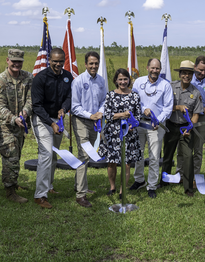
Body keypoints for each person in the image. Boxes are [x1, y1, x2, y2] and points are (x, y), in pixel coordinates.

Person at [32, 48, 73, 209]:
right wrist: (51, 123)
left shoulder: (67, 77)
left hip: (59, 119)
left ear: (64, 61)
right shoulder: (40, 78)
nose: (57, 64)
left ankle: (49, 186)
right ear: (49, 60)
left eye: (60, 61)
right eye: (55, 61)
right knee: (46, 154)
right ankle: (40, 195)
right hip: (43, 119)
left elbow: (69, 96)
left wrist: (64, 108)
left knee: (54, 154)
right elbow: (36, 105)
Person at [0, 49, 33, 204]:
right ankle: (10, 191)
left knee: (18, 153)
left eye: (19, 61)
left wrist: (26, 111)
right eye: (13, 61)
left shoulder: (28, 77)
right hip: (5, 125)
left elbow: (31, 98)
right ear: (7, 60)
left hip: (21, 123)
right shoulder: (0, 81)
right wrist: (14, 118)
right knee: (11, 156)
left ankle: (14, 182)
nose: (16, 64)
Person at [130, 58, 173, 198]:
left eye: (157, 68)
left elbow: (168, 108)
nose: (155, 71)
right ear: (147, 67)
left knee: (154, 155)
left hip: (156, 125)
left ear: (160, 70)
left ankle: (152, 185)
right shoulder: (138, 82)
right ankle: (139, 180)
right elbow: (134, 100)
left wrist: (157, 120)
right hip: (140, 122)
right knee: (138, 153)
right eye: (152, 68)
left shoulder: (165, 85)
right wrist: (143, 110)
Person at [161, 61, 203, 197]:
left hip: (186, 128)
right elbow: (164, 107)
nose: (186, 76)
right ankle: (164, 181)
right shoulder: (170, 87)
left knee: (187, 157)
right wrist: (177, 107)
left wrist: (190, 128)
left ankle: (188, 187)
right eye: (184, 73)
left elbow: (196, 114)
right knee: (167, 155)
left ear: (192, 75)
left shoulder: (196, 92)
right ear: (179, 74)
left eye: (189, 73)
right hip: (171, 126)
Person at [70, 51, 107, 207]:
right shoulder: (78, 81)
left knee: (88, 154)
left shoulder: (101, 80)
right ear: (85, 64)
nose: (93, 66)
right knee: (84, 155)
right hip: (81, 120)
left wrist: (100, 112)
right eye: (91, 63)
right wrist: (89, 115)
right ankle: (80, 195)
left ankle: (79, 184)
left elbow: (105, 99)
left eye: (96, 63)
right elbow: (74, 106)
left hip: (95, 122)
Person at [98, 68, 142, 198]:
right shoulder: (110, 95)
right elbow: (108, 115)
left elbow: (138, 115)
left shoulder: (134, 95)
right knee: (111, 162)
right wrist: (122, 115)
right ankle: (112, 187)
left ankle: (123, 190)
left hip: (129, 134)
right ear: (116, 81)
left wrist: (133, 124)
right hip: (113, 133)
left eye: (125, 79)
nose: (123, 82)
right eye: (120, 79)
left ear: (129, 80)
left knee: (126, 163)